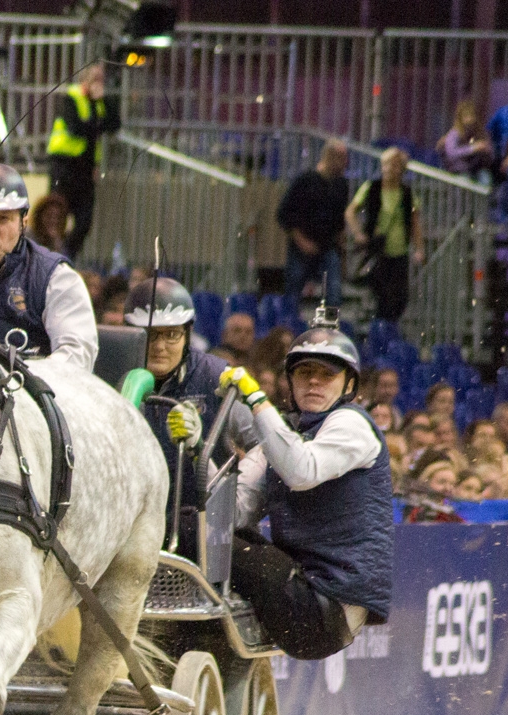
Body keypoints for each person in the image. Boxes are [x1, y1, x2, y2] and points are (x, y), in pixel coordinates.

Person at [222, 313, 392, 660]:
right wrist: (195, 449)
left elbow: (301, 470)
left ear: (348, 386)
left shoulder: (352, 424)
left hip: (326, 608)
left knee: (209, 541)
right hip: (298, 588)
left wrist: (256, 401)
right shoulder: (282, 434)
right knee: (201, 531)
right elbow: (231, 512)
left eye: (326, 375)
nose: (314, 382)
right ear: (291, 381)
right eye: (304, 373)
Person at [127, 276, 256, 558]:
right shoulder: (109, 375)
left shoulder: (217, 378)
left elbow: (264, 444)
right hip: (127, 525)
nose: (160, 346)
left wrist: (238, 502)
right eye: (150, 334)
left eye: (171, 334)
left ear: (188, 335)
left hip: (199, 525)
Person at [0, 160, 96, 371]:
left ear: (23, 221)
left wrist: (16, 382)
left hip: (27, 397)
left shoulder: (56, 278)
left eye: (2, 218)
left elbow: (76, 357)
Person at [45, 61, 119, 260]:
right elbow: (76, 128)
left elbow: (114, 124)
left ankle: (67, 255)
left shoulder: (100, 102)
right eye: (95, 79)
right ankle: (52, 254)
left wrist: (99, 103)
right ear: (84, 79)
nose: (99, 83)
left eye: (101, 80)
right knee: (57, 213)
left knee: (85, 220)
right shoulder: (71, 97)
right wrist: (96, 124)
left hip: (85, 169)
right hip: (64, 164)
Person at [347, 147, 424, 324]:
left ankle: (388, 330)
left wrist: (419, 248)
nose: (390, 169)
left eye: (395, 165)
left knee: (400, 298)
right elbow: (351, 212)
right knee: (383, 298)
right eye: (387, 164)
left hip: (399, 252)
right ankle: (380, 330)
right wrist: (359, 233)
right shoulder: (371, 187)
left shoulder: (407, 193)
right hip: (378, 251)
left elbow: (415, 223)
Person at [276, 140, 349, 311]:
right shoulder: (305, 181)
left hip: (328, 248)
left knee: (334, 293)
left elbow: (339, 223)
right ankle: (289, 327)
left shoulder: (341, 185)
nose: (345, 163)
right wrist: (301, 241)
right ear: (330, 157)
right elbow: (284, 214)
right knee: (293, 292)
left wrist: (342, 252)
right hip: (301, 249)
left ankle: (331, 329)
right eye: (342, 158)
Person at [437, 99, 493, 184]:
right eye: (466, 116)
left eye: (472, 115)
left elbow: (491, 155)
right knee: (464, 180)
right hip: (458, 170)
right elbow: (451, 153)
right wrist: (473, 148)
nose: (470, 119)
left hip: (476, 169)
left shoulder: (480, 133)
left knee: (486, 177)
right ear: (460, 118)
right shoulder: (454, 133)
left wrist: (486, 150)